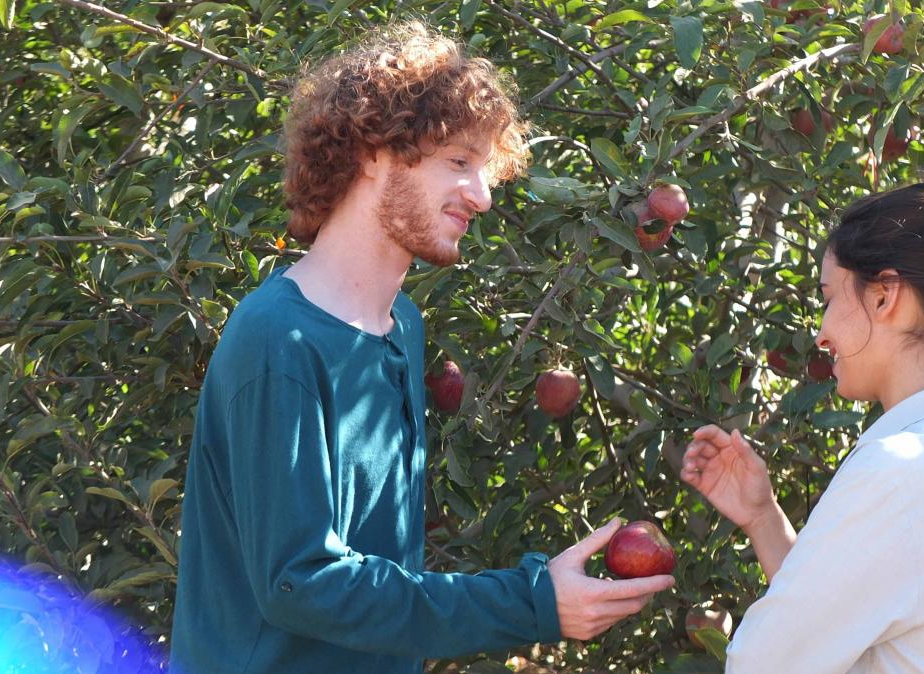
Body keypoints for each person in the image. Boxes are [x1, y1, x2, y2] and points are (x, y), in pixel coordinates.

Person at [170, 22, 673, 674]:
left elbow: (378, 573)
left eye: (486, 169)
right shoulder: (280, 344)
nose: (483, 196)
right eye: (459, 162)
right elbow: (302, 584)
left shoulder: (399, 325)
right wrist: (530, 602)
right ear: (375, 151)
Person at [681, 182, 924, 673]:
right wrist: (764, 518)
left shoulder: (900, 469)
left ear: (883, 297)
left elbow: (762, 665)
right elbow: (866, 628)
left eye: (829, 298)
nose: (821, 332)